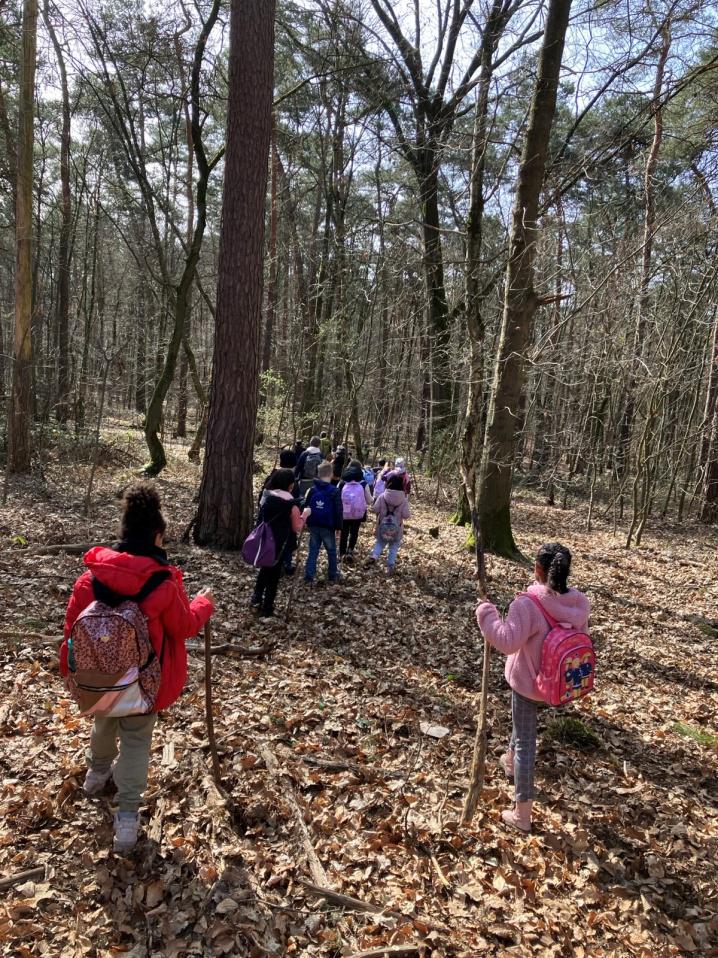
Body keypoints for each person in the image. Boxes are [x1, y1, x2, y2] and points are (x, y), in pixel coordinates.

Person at [60, 482, 215, 852]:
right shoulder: (163, 582)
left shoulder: (92, 576)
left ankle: (96, 775)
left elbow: (71, 629)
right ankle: (127, 820)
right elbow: (183, 626)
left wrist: (70, 671)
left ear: (123, 532)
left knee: (103, 719)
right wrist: (203, 604)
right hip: (143, 680)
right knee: (135, 741)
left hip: (98, 675)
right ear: (158, 535)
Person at [476, 543, 590, 834]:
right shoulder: (578, 604)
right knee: (521, 725)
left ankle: (522, 814)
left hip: (528, 684)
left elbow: (506, 641)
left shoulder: (527, 604)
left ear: (538, 569)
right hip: (558, 685)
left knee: (527, 741)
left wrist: (486, 613)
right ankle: (510, 760)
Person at [251, 468, 310, 617]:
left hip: (265, 538)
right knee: (274, 575)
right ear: (291, 485)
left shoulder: (266, 497)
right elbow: (296, 526)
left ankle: (256, 597)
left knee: (264, 569)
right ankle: (267, 607)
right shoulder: (291, 505)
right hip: (281, 543)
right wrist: (305, 515)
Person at [304, 461, 343, 584]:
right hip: (328, 526)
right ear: (331, 474)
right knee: (331, 551)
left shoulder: (312, 490)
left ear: (318, 474)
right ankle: (332, 575)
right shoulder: (334, 491)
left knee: (313, 550)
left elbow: (306, 506)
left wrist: (306, 521)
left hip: (314, 524)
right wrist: (339, 527)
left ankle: (309, 576)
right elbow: (338, 510)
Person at [367, 473, 410, 575]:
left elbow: (375, 509)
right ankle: (390, 566)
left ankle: (374, 556)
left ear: (388, 484)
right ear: (401, 486)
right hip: (397, 529)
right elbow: (406, 515)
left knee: (380, 543)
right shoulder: (403, 500)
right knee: (393, 547)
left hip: (382, 527)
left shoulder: (382, 496)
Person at [338, 459, 372, 562]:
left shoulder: (342, 482)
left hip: (344, 512)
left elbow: (336, 497)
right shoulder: (363, 484)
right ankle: (350, 550)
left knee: (344, 532)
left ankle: (342, 552)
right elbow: (369, 500)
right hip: (358, 513)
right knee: (354, 532)